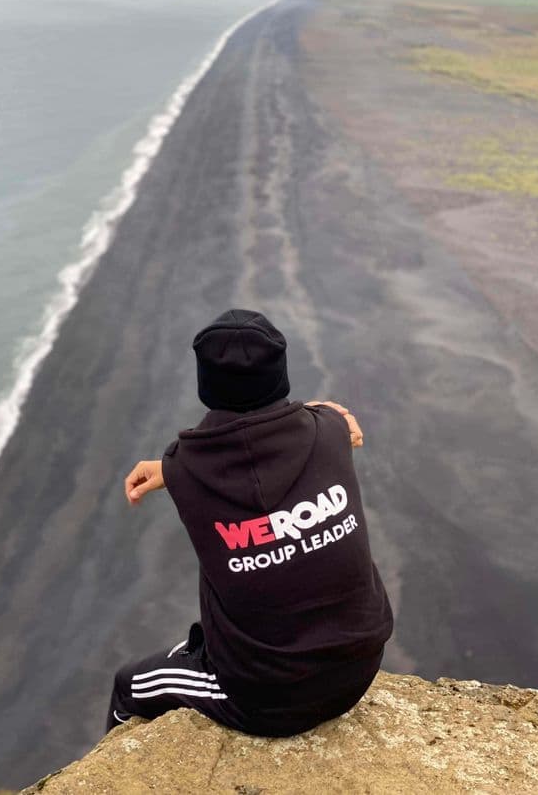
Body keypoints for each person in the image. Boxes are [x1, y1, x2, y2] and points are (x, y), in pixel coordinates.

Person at [106, 308, 393, 737]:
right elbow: (321, 414)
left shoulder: (188, 467)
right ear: (280, 374)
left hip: (263, 699)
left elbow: (211, 460)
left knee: (128, 687)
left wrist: (167, 473)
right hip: (361, 665)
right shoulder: (331, 429)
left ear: (208, 386)